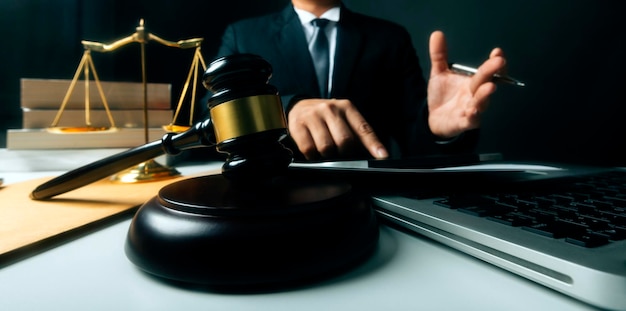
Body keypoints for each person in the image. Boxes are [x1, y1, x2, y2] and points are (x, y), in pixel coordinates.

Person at [214, 0, 506, 161]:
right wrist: (285, 110)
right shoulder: (243, 35)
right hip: (269, 201)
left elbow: (416, 145)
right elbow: (210, 116)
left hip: (371, 206)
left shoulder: (390, 38)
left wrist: (440, 131)